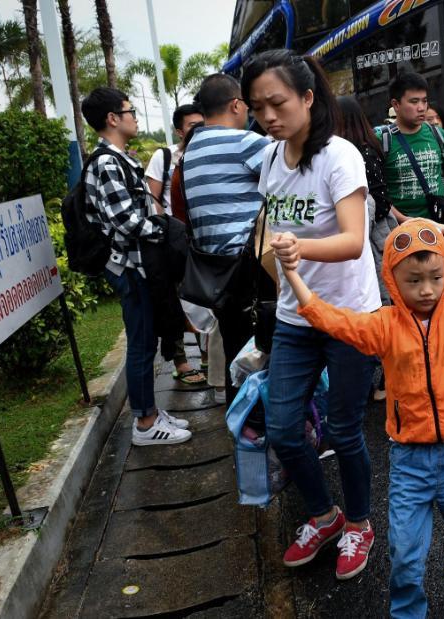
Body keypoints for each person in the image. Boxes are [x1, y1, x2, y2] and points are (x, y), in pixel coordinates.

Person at [281, 218, 444, 619]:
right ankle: (407, 611)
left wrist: (443, 231)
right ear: (392, 279)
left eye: (435, 276)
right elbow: (334, 321)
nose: (427, 289)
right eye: (413, 280)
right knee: (405, 551)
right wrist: (292, 275)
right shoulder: (384, 325)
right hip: (410, 461)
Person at [244, 49, 382, 581]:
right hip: (296, 320)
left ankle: (360, 524)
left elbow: (352, 241)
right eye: (257, 108)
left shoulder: (339, 155)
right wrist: (278, 264)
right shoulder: (270, 160)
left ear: (306, 97)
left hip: (349, 317)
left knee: (345, 432)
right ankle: (325, 516)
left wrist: (297, 247)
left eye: (277, 103)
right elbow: (269, 233)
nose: (268, 117)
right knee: (281, 430)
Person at [80, 87, 191, 446]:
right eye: (129, 110)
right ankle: (144, 423)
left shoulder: (117, 159)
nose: (134, 116)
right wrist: (165, 229)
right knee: (141, 343)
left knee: (145, 339)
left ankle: (151, 412)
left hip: (138, 265)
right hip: (130, 267)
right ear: (113, 119)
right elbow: (126, 221)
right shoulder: (107, 163)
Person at [180, 73, 272, 401]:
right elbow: (295, 171)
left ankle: (243, 427)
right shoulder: (243, 142)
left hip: (216, 271)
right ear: (236, 104)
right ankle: (266, 426)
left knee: (237, 351)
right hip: (251, 268)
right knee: (265, 350)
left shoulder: (191, 149)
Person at [144, 103, 206, 387]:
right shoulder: (165, 156)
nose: (199, 129)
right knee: (174, 303)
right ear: (179, 130)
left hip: (203, 240)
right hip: (173, 243)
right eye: (193, 125)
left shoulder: (208, 152)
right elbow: (152, 198)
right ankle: (181, 362)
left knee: (206, 299)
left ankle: (208, 358)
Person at [378, 72, 444, 230]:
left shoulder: (437, 134)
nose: (421, 108)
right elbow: (375, 191)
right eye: (414, 102)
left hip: (439, 225)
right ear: (396, 104)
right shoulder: (381, 139)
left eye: (424, 101)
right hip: (400, 230)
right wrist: (403, 219)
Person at [338, 95, 396, 305]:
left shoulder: (355, 154)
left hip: (372, 234)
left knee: (378, 294)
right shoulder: (370, 147)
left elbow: (378, 199)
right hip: (379, 229)